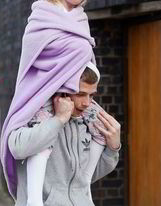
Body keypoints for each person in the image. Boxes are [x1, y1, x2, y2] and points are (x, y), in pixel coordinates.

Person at [0, 0, 117, 205]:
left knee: (102, 127)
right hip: (44, 91)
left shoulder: (80, 19)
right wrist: (58, 117)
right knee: (39, 151)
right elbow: (38, 58)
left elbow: (86, 63)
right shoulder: (41, 18)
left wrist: (114, 146)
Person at [8, 66, 121, 205]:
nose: (87, 103)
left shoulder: (86, 123)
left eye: (92, 95)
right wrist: (58, 120)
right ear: (63, 91)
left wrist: (112, 148)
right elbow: (18, 148)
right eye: (80, 94)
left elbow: (83, 179)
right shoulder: (33, 114)